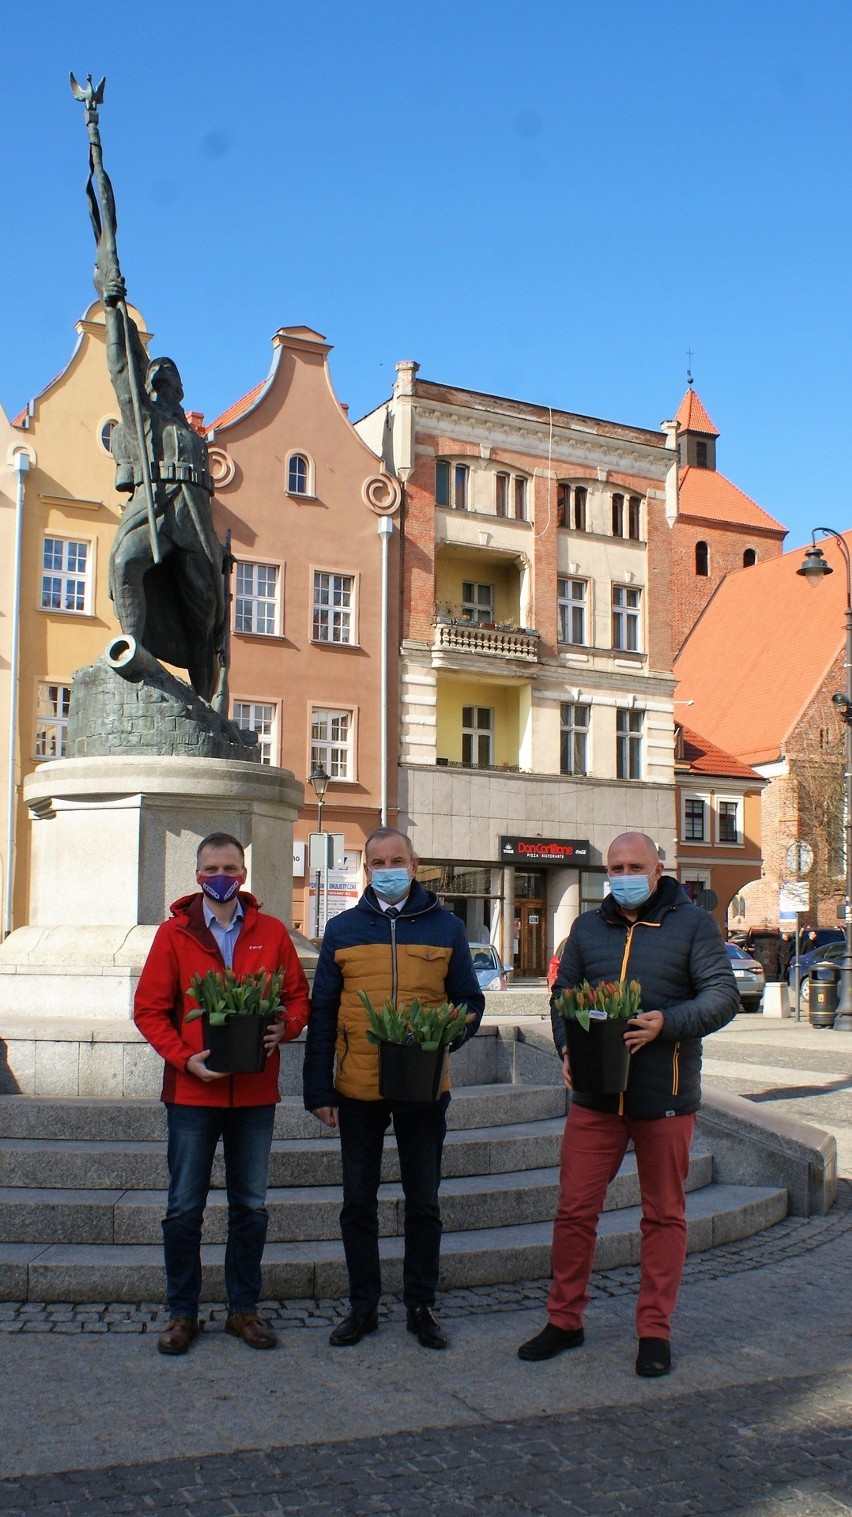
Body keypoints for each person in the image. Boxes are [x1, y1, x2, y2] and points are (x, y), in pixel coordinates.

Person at [518, 831, 738, 1378]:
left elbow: (723, 995)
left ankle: (653, 1331)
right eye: (615, 867)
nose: (623, 875)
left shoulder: (692, 925)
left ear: (658, 869)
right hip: (596, 1096)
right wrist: (567, 1047)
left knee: (663, 1216)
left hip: (663, 1094)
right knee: (574, 1211)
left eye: (634, 865)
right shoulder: (588, 928)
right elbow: (563, 996)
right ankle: (565, 1320)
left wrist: (668, 1023)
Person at [302, 827, 485, 1350]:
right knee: (358, 1202)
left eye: (395, 860)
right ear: (367, 870)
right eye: (377, 862)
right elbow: (323, 1014)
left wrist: (444, 1040)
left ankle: (420, 1305)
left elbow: (469, 1002)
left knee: (423, 1201)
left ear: (414, 863)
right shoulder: (342, 930)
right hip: (358, 1089)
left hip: (424, 1089)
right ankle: (363, 1306)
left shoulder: (446, 927)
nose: (386, 869)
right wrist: (319, 1089)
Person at [134, 831, 310, 1355]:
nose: (222, 878)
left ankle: (244, 1310)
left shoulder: (272, 931)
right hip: (192, 1095)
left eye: (231, 869)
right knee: (184, 1208)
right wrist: (183, 1057)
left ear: (243, 874)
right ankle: (182, 1314)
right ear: (197, 875)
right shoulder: (174, 936)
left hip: (254, 1094)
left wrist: (288, 1028)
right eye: (214, 869)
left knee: (250, 1207)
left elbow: (298, 998)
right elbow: (149, 1010)